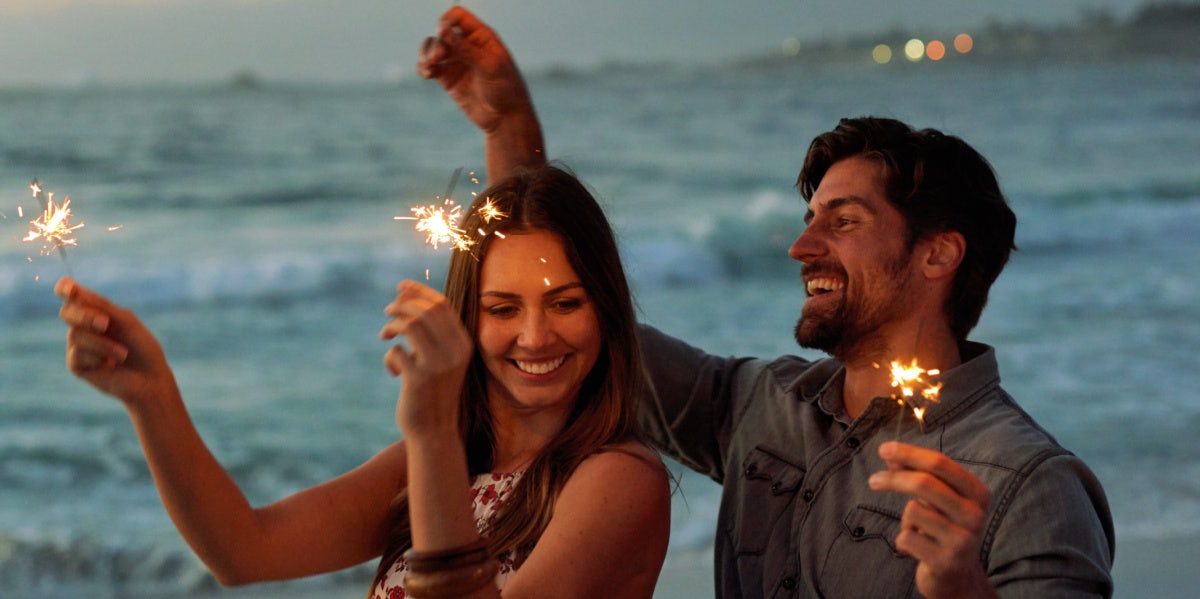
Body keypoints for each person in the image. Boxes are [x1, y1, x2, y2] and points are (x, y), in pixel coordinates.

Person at [417, 7, 1115, 598]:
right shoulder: (761, 404)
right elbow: (579, 328)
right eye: (810, 218)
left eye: (843, 222)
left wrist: (963, 589)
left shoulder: (1025, 482)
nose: (801, 246)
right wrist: (508, 126)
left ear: (938, 254)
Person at [57, 164, 671, 598]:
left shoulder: (618, 478)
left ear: (607, 309)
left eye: (565, 303)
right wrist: (152, 397)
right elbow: (242, 550)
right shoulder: (437, 466)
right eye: (503, 309)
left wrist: (431, 429)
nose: (536, 337)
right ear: (467, 317)